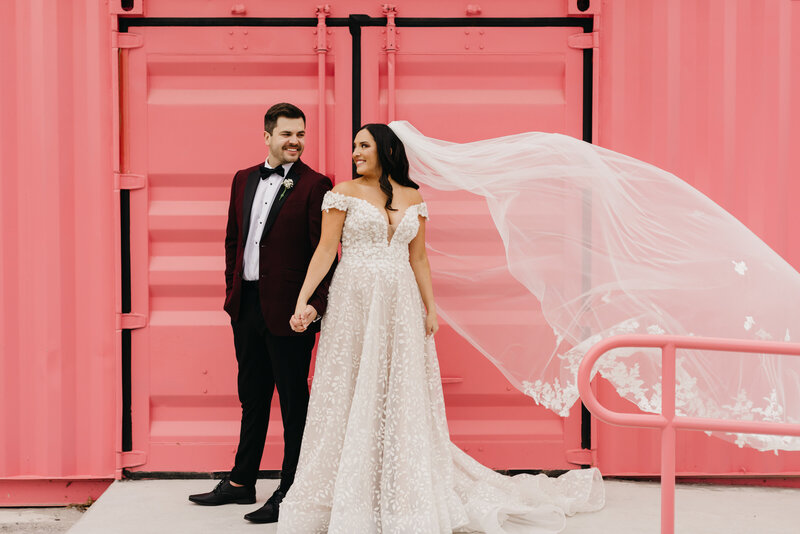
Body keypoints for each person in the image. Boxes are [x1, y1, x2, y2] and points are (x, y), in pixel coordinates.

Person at [276, 123, 603, 533]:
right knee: (350, 385)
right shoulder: (342, 192)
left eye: (364, 145)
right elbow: (326, 250)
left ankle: (398, 484)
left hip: (400, 303)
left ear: (386, 151)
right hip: (355, 300)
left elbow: (419, 260)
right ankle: (351, 489)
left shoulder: (414, 198)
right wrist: (304, 299)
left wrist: (431, 308)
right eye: (355, 146)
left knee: (398, 387)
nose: (355, 152)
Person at [188, 103, 335, 525]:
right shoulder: (243, 179)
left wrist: (313, 306)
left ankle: (291, 489)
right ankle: (240, 482)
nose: (295, 141)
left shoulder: (317, 185)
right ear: (267, 135)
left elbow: (325, 255)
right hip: (246, 307)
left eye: (301, 134)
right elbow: (234, 240)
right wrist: (232, 293)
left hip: (291, 313)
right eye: (287, 134)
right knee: (251, 397)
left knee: (293, 403)